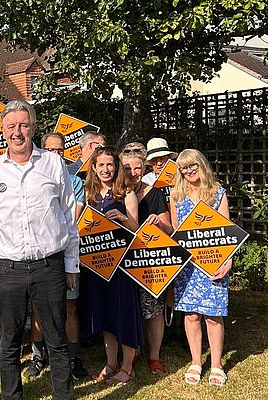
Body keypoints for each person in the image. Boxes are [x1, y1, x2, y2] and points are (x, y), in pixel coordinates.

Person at [0, 100, 79, 400]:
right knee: (9, 341)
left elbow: (69, 214)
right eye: (11, 126)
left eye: (23, 125)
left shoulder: (53, 164)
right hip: (9, 268)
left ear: (33, 128)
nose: (17, 132)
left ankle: (63, 395)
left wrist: (71, 264)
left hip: (49, 266)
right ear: (2, 130)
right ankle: (12, 396)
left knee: (57, 338)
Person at [22, 132, 88, 381]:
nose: (57, 155)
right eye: (51, 150)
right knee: (38, 309)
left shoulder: (75, 181)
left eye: (60, 150)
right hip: (39, 257)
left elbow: (72, 219)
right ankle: (38, 355)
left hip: (64, 253)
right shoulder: (32, 177)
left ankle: (73, 357)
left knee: (70, 307)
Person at [170, 149, 231, 387]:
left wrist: (228, 260)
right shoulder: (176, 196)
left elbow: (226, 230)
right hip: (187, 266)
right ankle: (196, 361)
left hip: (213, 261)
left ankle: (216, 364)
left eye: (192, 165)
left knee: (213, 315)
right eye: (183, 168)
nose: (188, 170)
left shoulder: (217, 193)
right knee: (192, 314)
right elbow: (176, 232)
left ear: (201, 164)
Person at [82, 146, 143, 385]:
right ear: (94, 169)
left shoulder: (126, 193)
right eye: (101, 165)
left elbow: (138, 232)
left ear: (116, 167)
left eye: (110, 164)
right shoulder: (90, 195)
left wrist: (125, 220)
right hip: (98, 266)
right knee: (105, 314)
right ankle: (110, 362)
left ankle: (128, 366)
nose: (106, 169)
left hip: (122, 267)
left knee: (124, 312)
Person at [120, 145, 172, 374]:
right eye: (127, 168)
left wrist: (159, 224)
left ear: (145, 168)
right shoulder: (113, 192)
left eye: (137, 167)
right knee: (128, 307)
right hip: (120, 261)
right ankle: (134, 350)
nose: (132, 172)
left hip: (149, 261)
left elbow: (170, 229)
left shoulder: (155, 193)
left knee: (153, 308)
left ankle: (154, 355)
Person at [142, 138, 178, 203]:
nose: (159, 163)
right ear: (150, 162)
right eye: (154, 160)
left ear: (169, 158)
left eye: (162, 158)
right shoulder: (146, 181)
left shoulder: (180, 175)